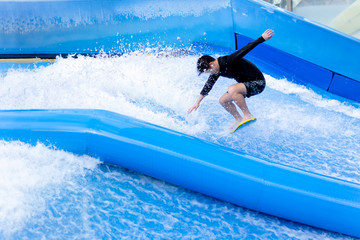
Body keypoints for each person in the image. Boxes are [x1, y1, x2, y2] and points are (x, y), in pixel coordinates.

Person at [188, 29, 274, 132]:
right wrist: (197, 102)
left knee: (232, 89)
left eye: (209, 71)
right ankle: (238, 119)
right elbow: (208, 85)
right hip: (247, 84)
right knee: (223, 100)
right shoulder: (217, 70)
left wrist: (261, 38)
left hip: (258, 83)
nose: (211, 74)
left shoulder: (228, 61)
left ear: (211, 64)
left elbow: (245, 49)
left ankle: (247, 115)